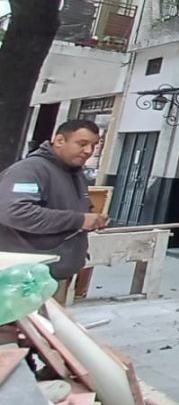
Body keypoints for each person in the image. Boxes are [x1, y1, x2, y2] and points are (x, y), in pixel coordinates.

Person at [0, 120, 108, 287]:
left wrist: (92, 219)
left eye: (93, 146)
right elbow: (15, 212)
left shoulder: (75, 172)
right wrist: (79, 220)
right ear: (59, 141)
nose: (88, 151)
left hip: (52, 275)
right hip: (23, 280)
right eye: (82, 144)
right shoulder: (30, 170)